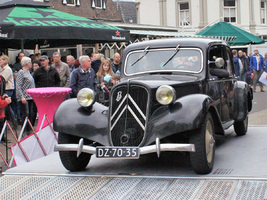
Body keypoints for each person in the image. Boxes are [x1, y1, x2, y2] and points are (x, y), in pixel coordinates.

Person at [16, 57, 35, 133]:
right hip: (24, 97)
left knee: (31, 113)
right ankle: (24, 129)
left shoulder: (28, 72)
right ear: (27, 64)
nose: (31, 64)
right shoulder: (21, 72)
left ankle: (29, 128)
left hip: (30, 97)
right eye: (30, 62)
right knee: (25, 113)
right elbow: (18, 85)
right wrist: (21, 97)